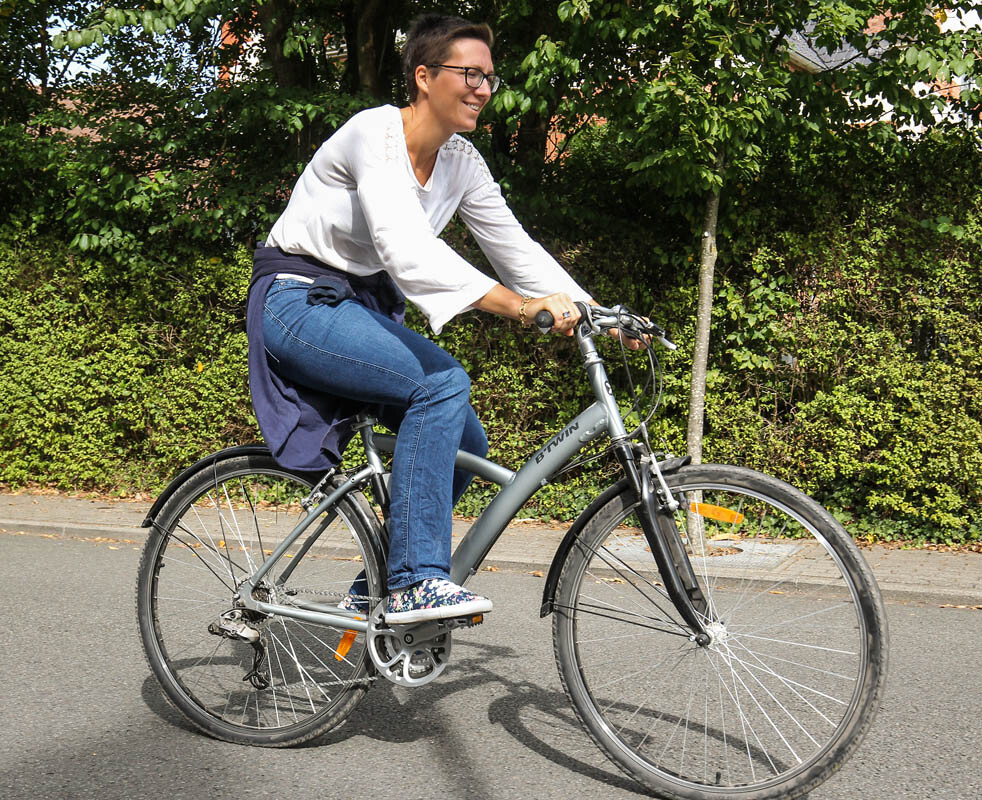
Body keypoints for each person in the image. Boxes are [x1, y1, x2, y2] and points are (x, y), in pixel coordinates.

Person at [248, 14, 602, 625]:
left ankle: (376, 587)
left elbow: (515, 250)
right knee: (441, 384)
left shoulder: (460, 161)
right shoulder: (373, 134)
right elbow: (407, 251)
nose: (483, 89)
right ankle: (415, 581)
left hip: (353, 308)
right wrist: (521, 307)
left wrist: (598, 313)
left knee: (464, 441)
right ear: (423, 76)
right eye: (470, 74)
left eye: (489, 77)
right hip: (296, 300)